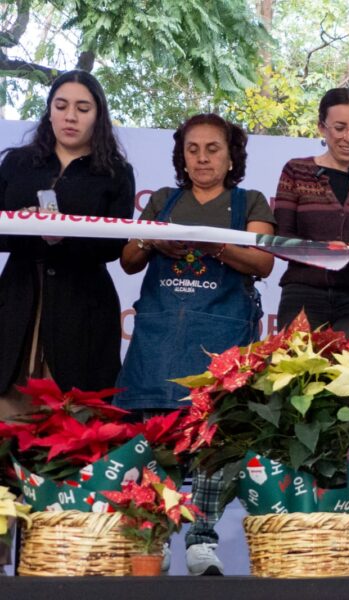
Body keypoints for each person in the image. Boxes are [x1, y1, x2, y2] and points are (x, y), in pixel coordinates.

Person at [113, 114, 275, 575]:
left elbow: (263, 262)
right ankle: (157, 536)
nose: (202, 158)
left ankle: (202, 541)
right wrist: (155, 240)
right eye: (193, 149)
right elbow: (128, 260)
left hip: (221, 341)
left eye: (213, 149)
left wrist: (210, 244)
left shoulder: (249, 201)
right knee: (158, 438)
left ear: (231, 157)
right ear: (181, 157)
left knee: (214, 441)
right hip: (159, 340)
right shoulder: (164, 200)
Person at [0, 70, 135, 418]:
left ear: (98, 115)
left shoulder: (116, 172)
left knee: (75, 422)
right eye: (61, 106)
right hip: (16, 298)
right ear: (49, 112)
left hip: (83, 305)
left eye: (82, 108)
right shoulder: (17, 163)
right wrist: (22, 225)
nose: (70, 116)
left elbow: (113, 248)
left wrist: (64, 236)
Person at [273, 88, 349, 337]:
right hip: (302, 294)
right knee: (298, 364)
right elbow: (281, 239)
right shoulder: (296, 171)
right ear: (322, 127)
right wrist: (321, 250)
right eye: (339, 128)